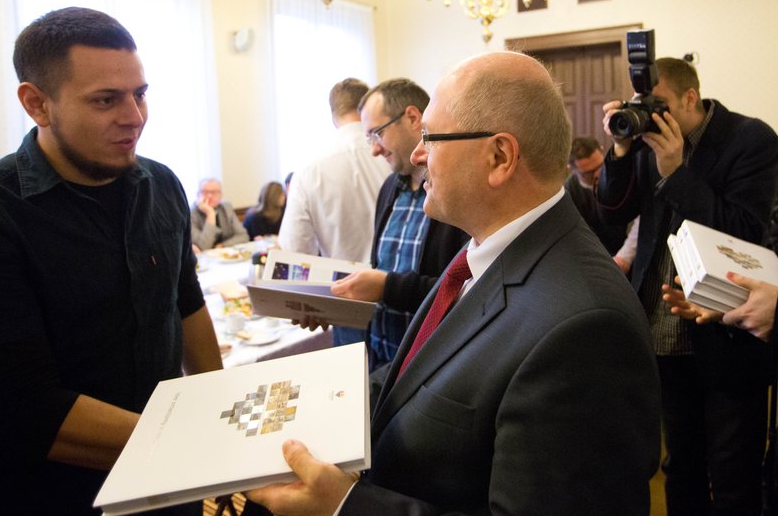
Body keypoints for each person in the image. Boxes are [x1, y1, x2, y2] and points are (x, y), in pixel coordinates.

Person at [247, 51, 661, 516]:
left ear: (499, 157)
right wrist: (309, 404)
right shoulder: (482, 250)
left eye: (431, 137)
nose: (418, 154)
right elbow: (415, 378)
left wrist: (344, 506)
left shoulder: (587, 329)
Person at [0, 7, 223, 515]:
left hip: (162, 482)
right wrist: (201, 447)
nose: (134, 117)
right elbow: (23, 409)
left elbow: (186, 305)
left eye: (140, 94)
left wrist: (219, 413)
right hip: (37, 496)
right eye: (105, 100)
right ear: (37, 104)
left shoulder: (161, 186)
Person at [595, 57, 778, 516]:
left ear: (689, 98)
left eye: (660, 105)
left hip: (729, 330)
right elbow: (611, 213)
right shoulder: (643, 143)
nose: (650, 116)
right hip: (663, 331)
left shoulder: (750, 139)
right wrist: (619, 150)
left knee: (733, 472)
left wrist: (676, 171)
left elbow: (744, 234)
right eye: (642, 106)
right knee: (681, 468)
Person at [331, 78, 469, 368]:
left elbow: (466, 292)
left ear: (412, 118)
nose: (374, 150)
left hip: (429, 366)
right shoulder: (390, 188)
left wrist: (386, 287)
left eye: (377, 134)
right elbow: (382, 270)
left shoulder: (457, 191)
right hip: (382, 359)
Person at [278, 77, 389, 348]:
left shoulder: (308, 170)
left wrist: (312, 305)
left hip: (347, 304)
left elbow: (294, 253)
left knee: (359, 388)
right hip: (407, 296)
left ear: (333, 116)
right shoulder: (394, 152)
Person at [565, 136, 629, 255]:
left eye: (600, 166)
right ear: (571, 169)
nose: (598, 174)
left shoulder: (616, 173)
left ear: (602, 150)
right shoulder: (569, 194)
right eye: (589, 173)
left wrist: (625, 256)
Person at [191, 177, 250, 252]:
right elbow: (203, 246)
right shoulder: (191, 213)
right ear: (198, 195)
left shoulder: (226, 207)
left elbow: (243, 236)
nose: (209, 196)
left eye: (214, 192)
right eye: (205, 192)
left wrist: (223, 245)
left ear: (221, 195)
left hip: (226, 255)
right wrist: (210, 214)